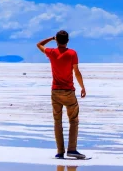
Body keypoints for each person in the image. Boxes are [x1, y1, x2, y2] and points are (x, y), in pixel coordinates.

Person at [37, 30, 87, 159]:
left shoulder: (52, 52)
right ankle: (72, 149)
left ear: (57, 41)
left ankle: (60, 151)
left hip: (55, 91)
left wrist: (51, 38)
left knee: (57, 121)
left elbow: (39, 44)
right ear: (68, 41)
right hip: (68, 91)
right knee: (74, 120)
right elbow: (76, 71)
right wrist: (82, 87)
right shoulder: (72, 53)